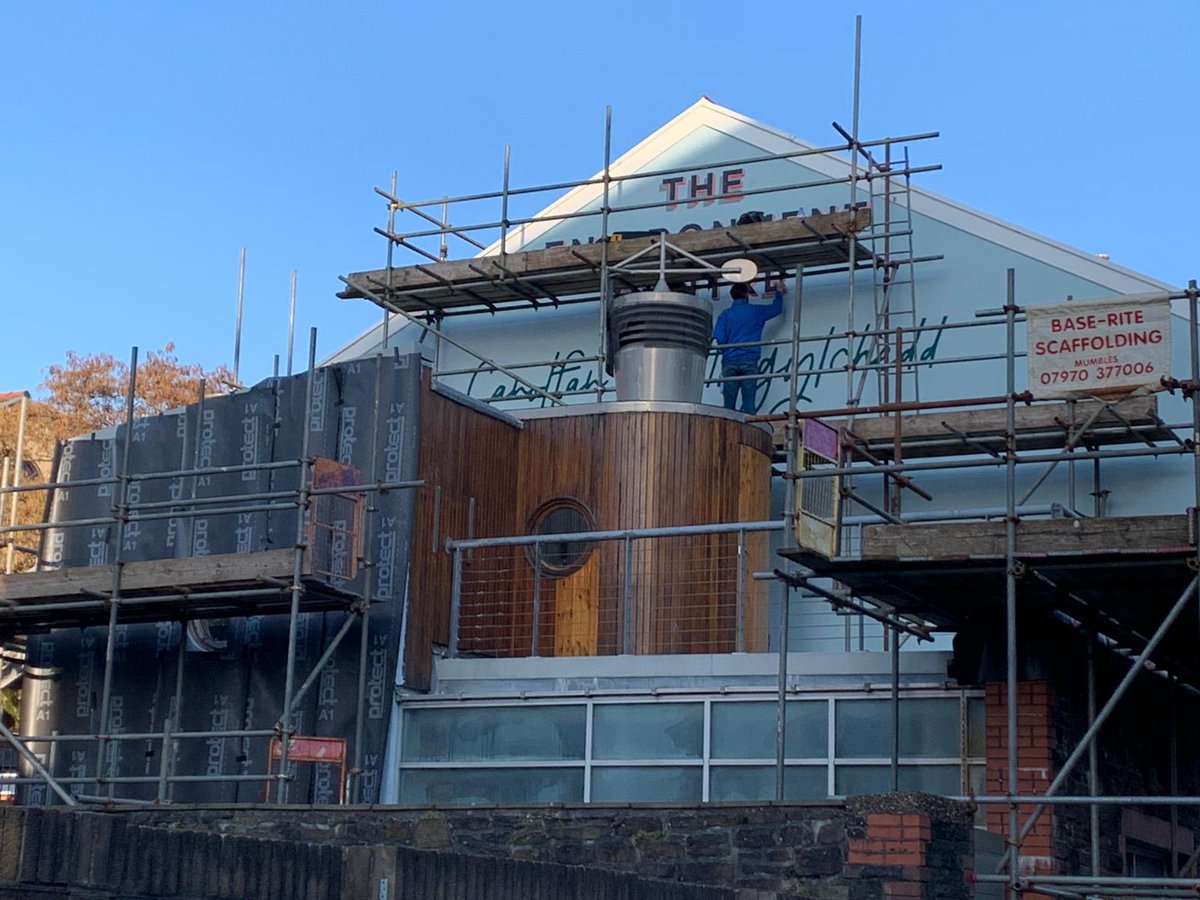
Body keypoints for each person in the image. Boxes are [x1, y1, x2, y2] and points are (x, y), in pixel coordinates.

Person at [713, 278, 787, 413]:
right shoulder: (755, 311)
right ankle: (750, 428)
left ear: (732, 296)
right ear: (746, 295)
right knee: (749, 403)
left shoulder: (725, 315)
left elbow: (720, 338)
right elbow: (776, 309)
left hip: (730, 361)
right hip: (749, 360)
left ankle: (728, 431)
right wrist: (779, 292)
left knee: (729, 405)